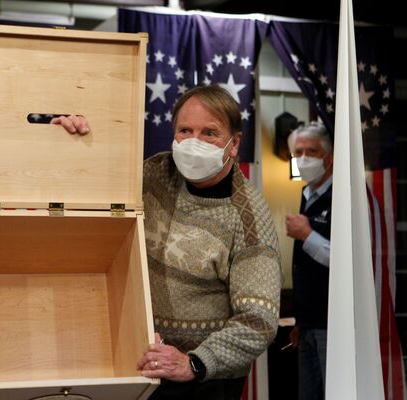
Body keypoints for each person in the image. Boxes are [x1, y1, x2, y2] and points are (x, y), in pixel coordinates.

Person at [53, 85, 282, 400]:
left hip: (201, 382)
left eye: (209, 133)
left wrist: (194, 363)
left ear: (234, 144)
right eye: (185, 130)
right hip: (138, 361)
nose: (193, 143)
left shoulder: (249, 219)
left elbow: (259, 320)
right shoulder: (156, 172)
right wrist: (72, 143)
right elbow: (93, 186)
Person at [285, 122, 333, 400]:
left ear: (328, 157)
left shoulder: (341, 195)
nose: (303, 159)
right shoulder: (306, 194)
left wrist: (307, 235)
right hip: (307, 322)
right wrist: (299, 320)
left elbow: (345, 263)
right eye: (298, 151)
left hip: (333, 323)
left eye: (311, 151)